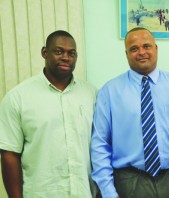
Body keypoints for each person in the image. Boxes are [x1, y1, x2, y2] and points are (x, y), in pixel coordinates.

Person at [91, 27, 169, 198]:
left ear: (156, 49)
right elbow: (99, 145)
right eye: (134, 48)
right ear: (126, 54)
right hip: (129, 181)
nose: (141, 52)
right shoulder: (109, 92)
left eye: (146, 46)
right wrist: (108, 192)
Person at [0, 30, 97, 198]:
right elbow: (9, 154)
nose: (66, 57)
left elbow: (101, 147)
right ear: (45, 52)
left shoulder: (91, 94)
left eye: (71, 53)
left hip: (85, 192)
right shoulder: (18, 97)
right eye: (59, 51)